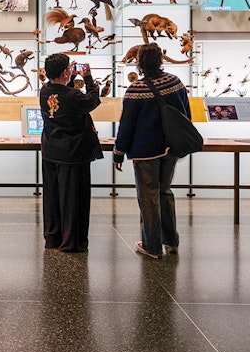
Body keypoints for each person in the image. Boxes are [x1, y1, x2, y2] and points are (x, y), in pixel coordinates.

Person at [112, 44, 190, 259]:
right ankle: (172, 241)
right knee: (165, 192)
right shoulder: (175, 83)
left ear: (140, 62)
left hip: (145, 152)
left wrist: (118, 152)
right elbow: (186, 114)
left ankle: (152, 246)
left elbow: (126, 126)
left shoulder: (135, 90)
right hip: (171, 148)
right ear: (160, 59)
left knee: (148, 198)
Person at [38, 53, 102, 253]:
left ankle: (53, 238)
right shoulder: (73, 96)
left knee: (53, 197)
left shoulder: (44, 91)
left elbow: (63, 96)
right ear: (65, 71)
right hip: (73, 154)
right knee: (74, 199)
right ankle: (71, 241)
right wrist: (88, 78)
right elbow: (92, 101)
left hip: (51, 152)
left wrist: (71, 78)